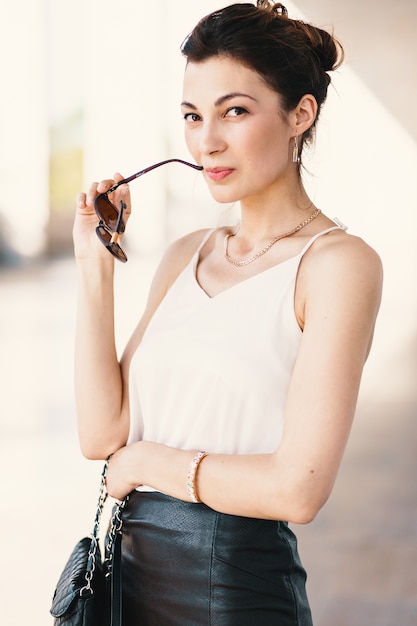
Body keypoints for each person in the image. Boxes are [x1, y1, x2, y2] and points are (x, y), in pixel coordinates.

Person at [74, 2, 383, 624]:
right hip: (131, 588)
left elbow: (298, 490)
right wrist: (95, 265)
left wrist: (144, 463)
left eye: (234, 111)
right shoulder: (188, 253)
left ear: (301, 113)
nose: (206, 140)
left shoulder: (338, 264)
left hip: (234, 594)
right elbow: (102, 435)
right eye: (192, 116)